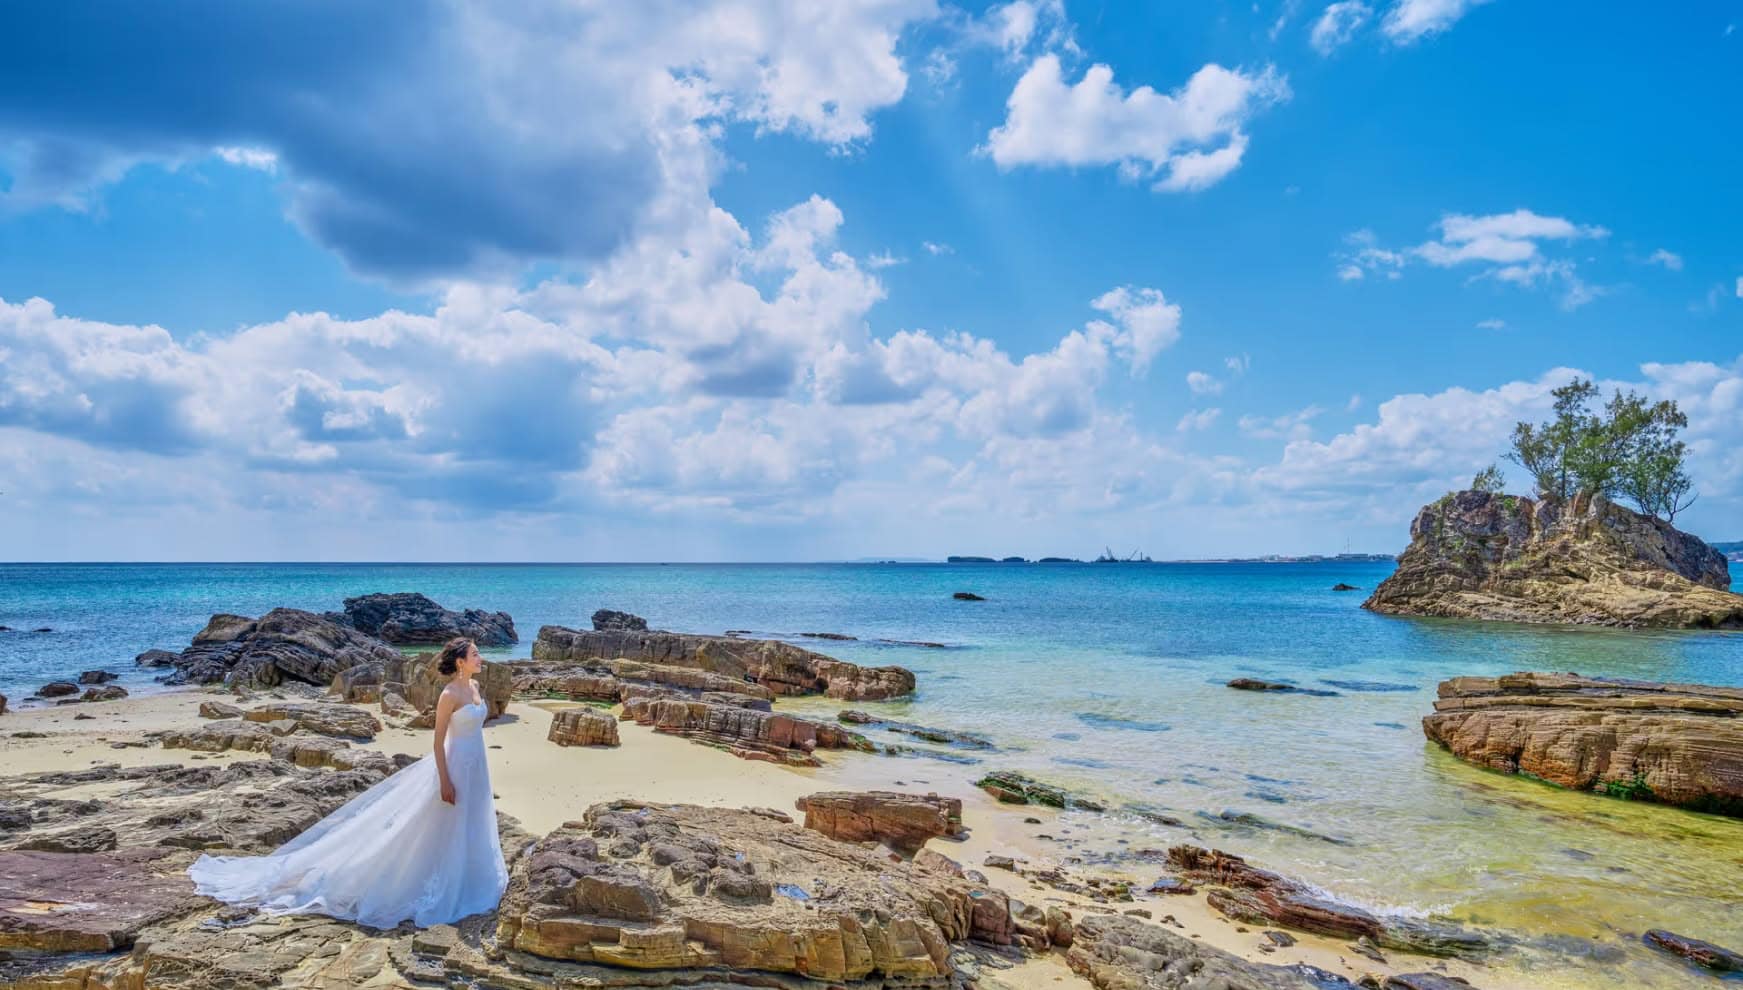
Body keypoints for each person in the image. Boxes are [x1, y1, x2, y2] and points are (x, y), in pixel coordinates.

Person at [188, 637, 508, 928]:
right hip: (452, 766)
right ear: (461, 661)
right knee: (436, 825)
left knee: (469, 823)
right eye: (475, 654)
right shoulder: (449, 694)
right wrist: (445, 781)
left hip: (476, 765)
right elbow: (438, 743)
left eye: (479, 653)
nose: (480, 658)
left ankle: (469, 878)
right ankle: (429, 883)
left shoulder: (476, 689)